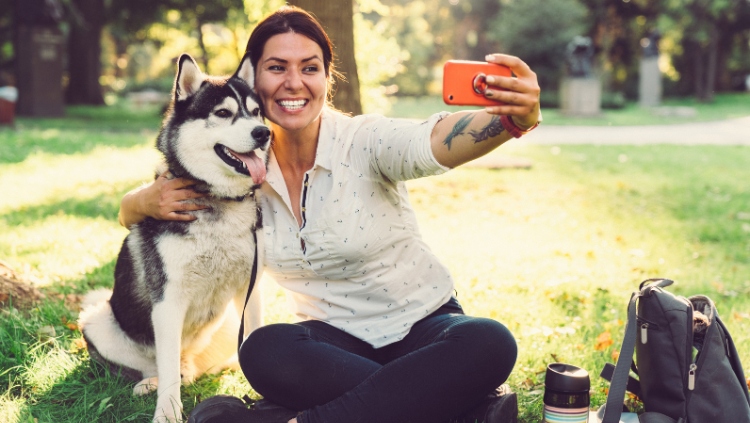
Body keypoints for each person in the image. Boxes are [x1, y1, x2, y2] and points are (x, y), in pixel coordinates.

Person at [119, 6, 541, 423]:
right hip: (333, 347)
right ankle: (462, 411)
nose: (293, 82)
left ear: (326, 77)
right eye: (277, 67)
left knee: (490, 341)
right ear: (253, 81)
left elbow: (432, 140)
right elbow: (148, 204)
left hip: (423, 328)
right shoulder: (240, 174)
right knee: (264, 350)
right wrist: (139, 202)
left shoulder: (364, 141)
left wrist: (511, 120)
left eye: (310, 67)